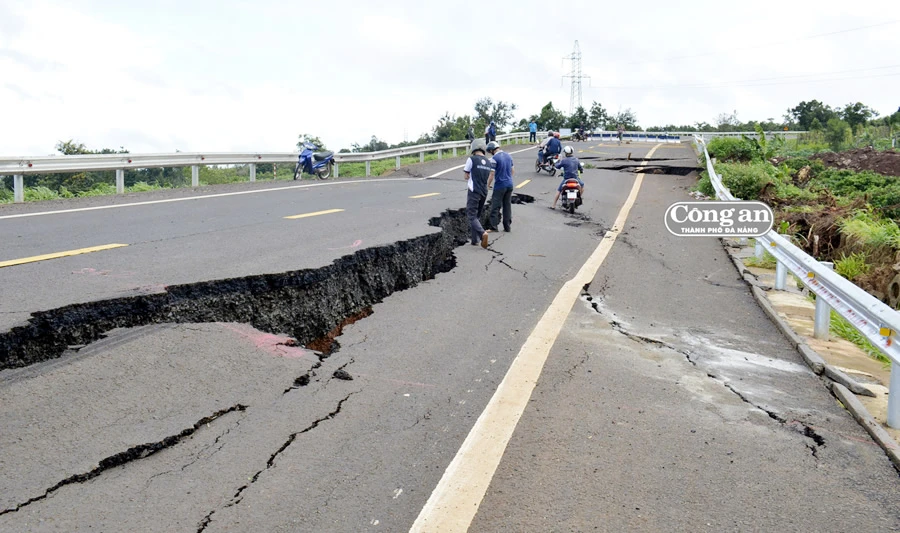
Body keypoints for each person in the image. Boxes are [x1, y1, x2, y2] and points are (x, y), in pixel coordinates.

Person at [463, 140, 494, 248]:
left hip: (474, 191)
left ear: (473, 148)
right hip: (484, 192)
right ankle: (474, 240)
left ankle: (482, 233)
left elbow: (466, 175)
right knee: (477, 216)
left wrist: (468, 176)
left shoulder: (471, 159)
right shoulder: (488, 161)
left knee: (471, 215)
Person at [486, 141, 514, 232]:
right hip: (509, 184)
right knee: (507, 205)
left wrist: (488, 185)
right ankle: (507, 227)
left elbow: (492, 174)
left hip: (500, 185)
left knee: (496, 206)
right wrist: (508, 178)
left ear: (492, 150)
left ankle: (494, 226)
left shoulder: (494, 158)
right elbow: (512, 170)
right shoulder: (509, 156)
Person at [550, 146, 585, 210]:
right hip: (575, 179)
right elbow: (580, 168)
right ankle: (578, 198)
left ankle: (553, 205)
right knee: (582, 185)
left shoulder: (564, 160)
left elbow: (557, 166)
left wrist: (557, 161)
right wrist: (581, 171)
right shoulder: (576, 160)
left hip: (566, 179)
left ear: (566, 153)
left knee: (559, 190)